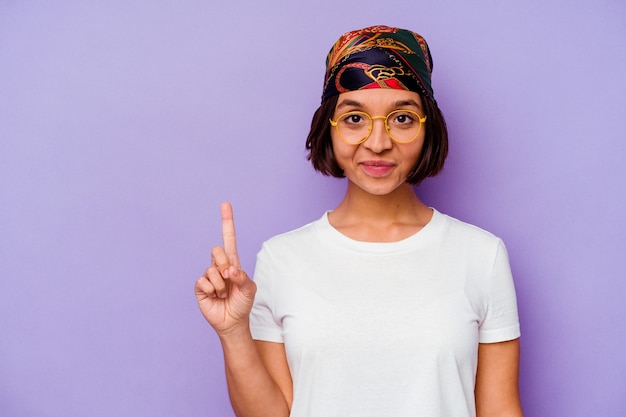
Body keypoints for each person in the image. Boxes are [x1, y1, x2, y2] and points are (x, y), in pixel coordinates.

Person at [195, 25, 523, 417]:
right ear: (328, 129)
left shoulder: (481, 255)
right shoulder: (282, 258)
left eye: (402, 118)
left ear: (427, 127)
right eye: (354, 118)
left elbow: (500, 408)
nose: (378, 141)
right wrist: (233, 333)